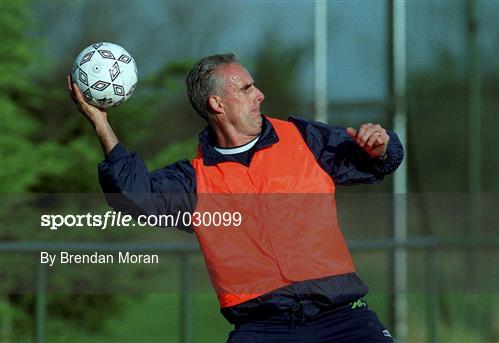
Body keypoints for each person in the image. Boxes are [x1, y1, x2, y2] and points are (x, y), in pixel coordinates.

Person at [68, 53, 403, 342]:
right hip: (262, 329)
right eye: (246, 89)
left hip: (343, 319)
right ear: (217, 103)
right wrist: (101, 124)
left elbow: (374, 161)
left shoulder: (303, 139)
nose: (260, 94)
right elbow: (134, 198)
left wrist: (382, 145)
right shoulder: (194, 180)